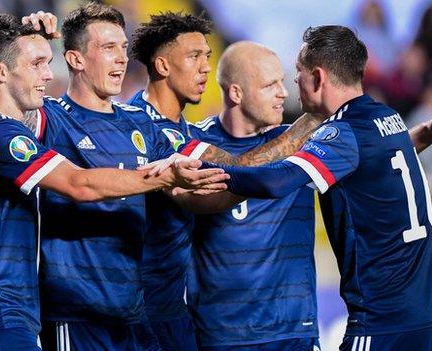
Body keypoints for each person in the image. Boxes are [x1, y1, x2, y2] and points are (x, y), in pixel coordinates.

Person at [0, 14, 226, 351]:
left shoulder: (11, 129)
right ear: (0, 71)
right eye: (37, 64)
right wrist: (164, 176)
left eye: (47, 62)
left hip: (19, 307)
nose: (48, 74)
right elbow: (78, 184)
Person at [207, 25, 432, 350]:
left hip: (382, 319)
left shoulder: (342, 132)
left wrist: (202, 170)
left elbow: (277, 181)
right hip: (425, 312)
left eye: (297, 73)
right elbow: (376, 159)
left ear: (318, 76)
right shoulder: (387, 118)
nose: (291, 85)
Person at [127, 12, 324, 351]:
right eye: (194, 57)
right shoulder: (155, 130)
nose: (205, 66)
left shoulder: (179, 130)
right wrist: (314, 119)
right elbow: (239, 172)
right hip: (166, 316)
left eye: (207, 56)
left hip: (286, 329)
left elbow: (377, 153)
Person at [187, 41, 319, 351]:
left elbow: (371, 159)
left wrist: (417, 137)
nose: (283, 93)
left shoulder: (304, 142)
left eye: (282, 82)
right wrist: (309, 123)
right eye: (270, 85)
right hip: (221, 334)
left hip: (293, 331)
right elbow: (243, 170)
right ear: (236, 93)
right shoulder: (193, 142)